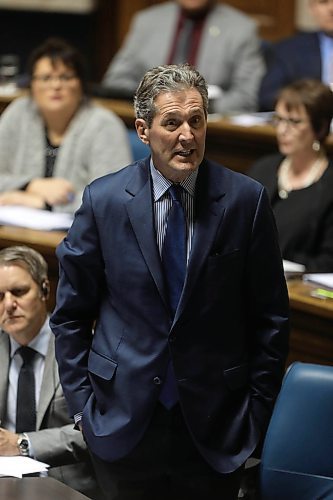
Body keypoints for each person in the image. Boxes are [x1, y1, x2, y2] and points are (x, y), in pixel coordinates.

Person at [50, 63, 289, 500]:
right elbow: (70, 315)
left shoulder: (244, 201)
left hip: (217, 427)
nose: (187, 135)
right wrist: (85, 409)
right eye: (172, 122)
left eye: (196, 121)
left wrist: (256, 414)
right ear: (143, 130)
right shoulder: (104, 201)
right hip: (121, 423)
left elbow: (270, 318)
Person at [0, 245, 102, 499]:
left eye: (19, 292)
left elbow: (100, 429)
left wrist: (23, 444)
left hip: (67, 487)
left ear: (45, 289)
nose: (9, 304)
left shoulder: (82, 349)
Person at [0, 37, 132, 214]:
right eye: (46, 78)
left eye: (65, 77)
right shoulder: (19, 113)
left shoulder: (104, 125)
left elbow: (114, 198)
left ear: (81, 85)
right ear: (31, 84)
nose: (55, 85)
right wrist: (31, 185)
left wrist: (45, 204)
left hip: (81, 235)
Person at [101, 0, 265, 114]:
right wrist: (156, 106)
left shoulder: (241, 28)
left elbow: (245, 98)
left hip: (210, 132)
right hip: (149, 123)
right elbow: (116, 82)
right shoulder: (147, 21)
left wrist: (196, 107)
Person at [249, 79, 333, 272]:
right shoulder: (263, 168)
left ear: (319, 127)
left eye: (294, 122)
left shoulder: (329, 186)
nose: (282, 130)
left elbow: (328, 261)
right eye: (278, 119)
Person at [259, 0, 333, 111]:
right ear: (312, 8)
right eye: (323, 2)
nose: (332, 9)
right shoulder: (287, 50)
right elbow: (268, 96)